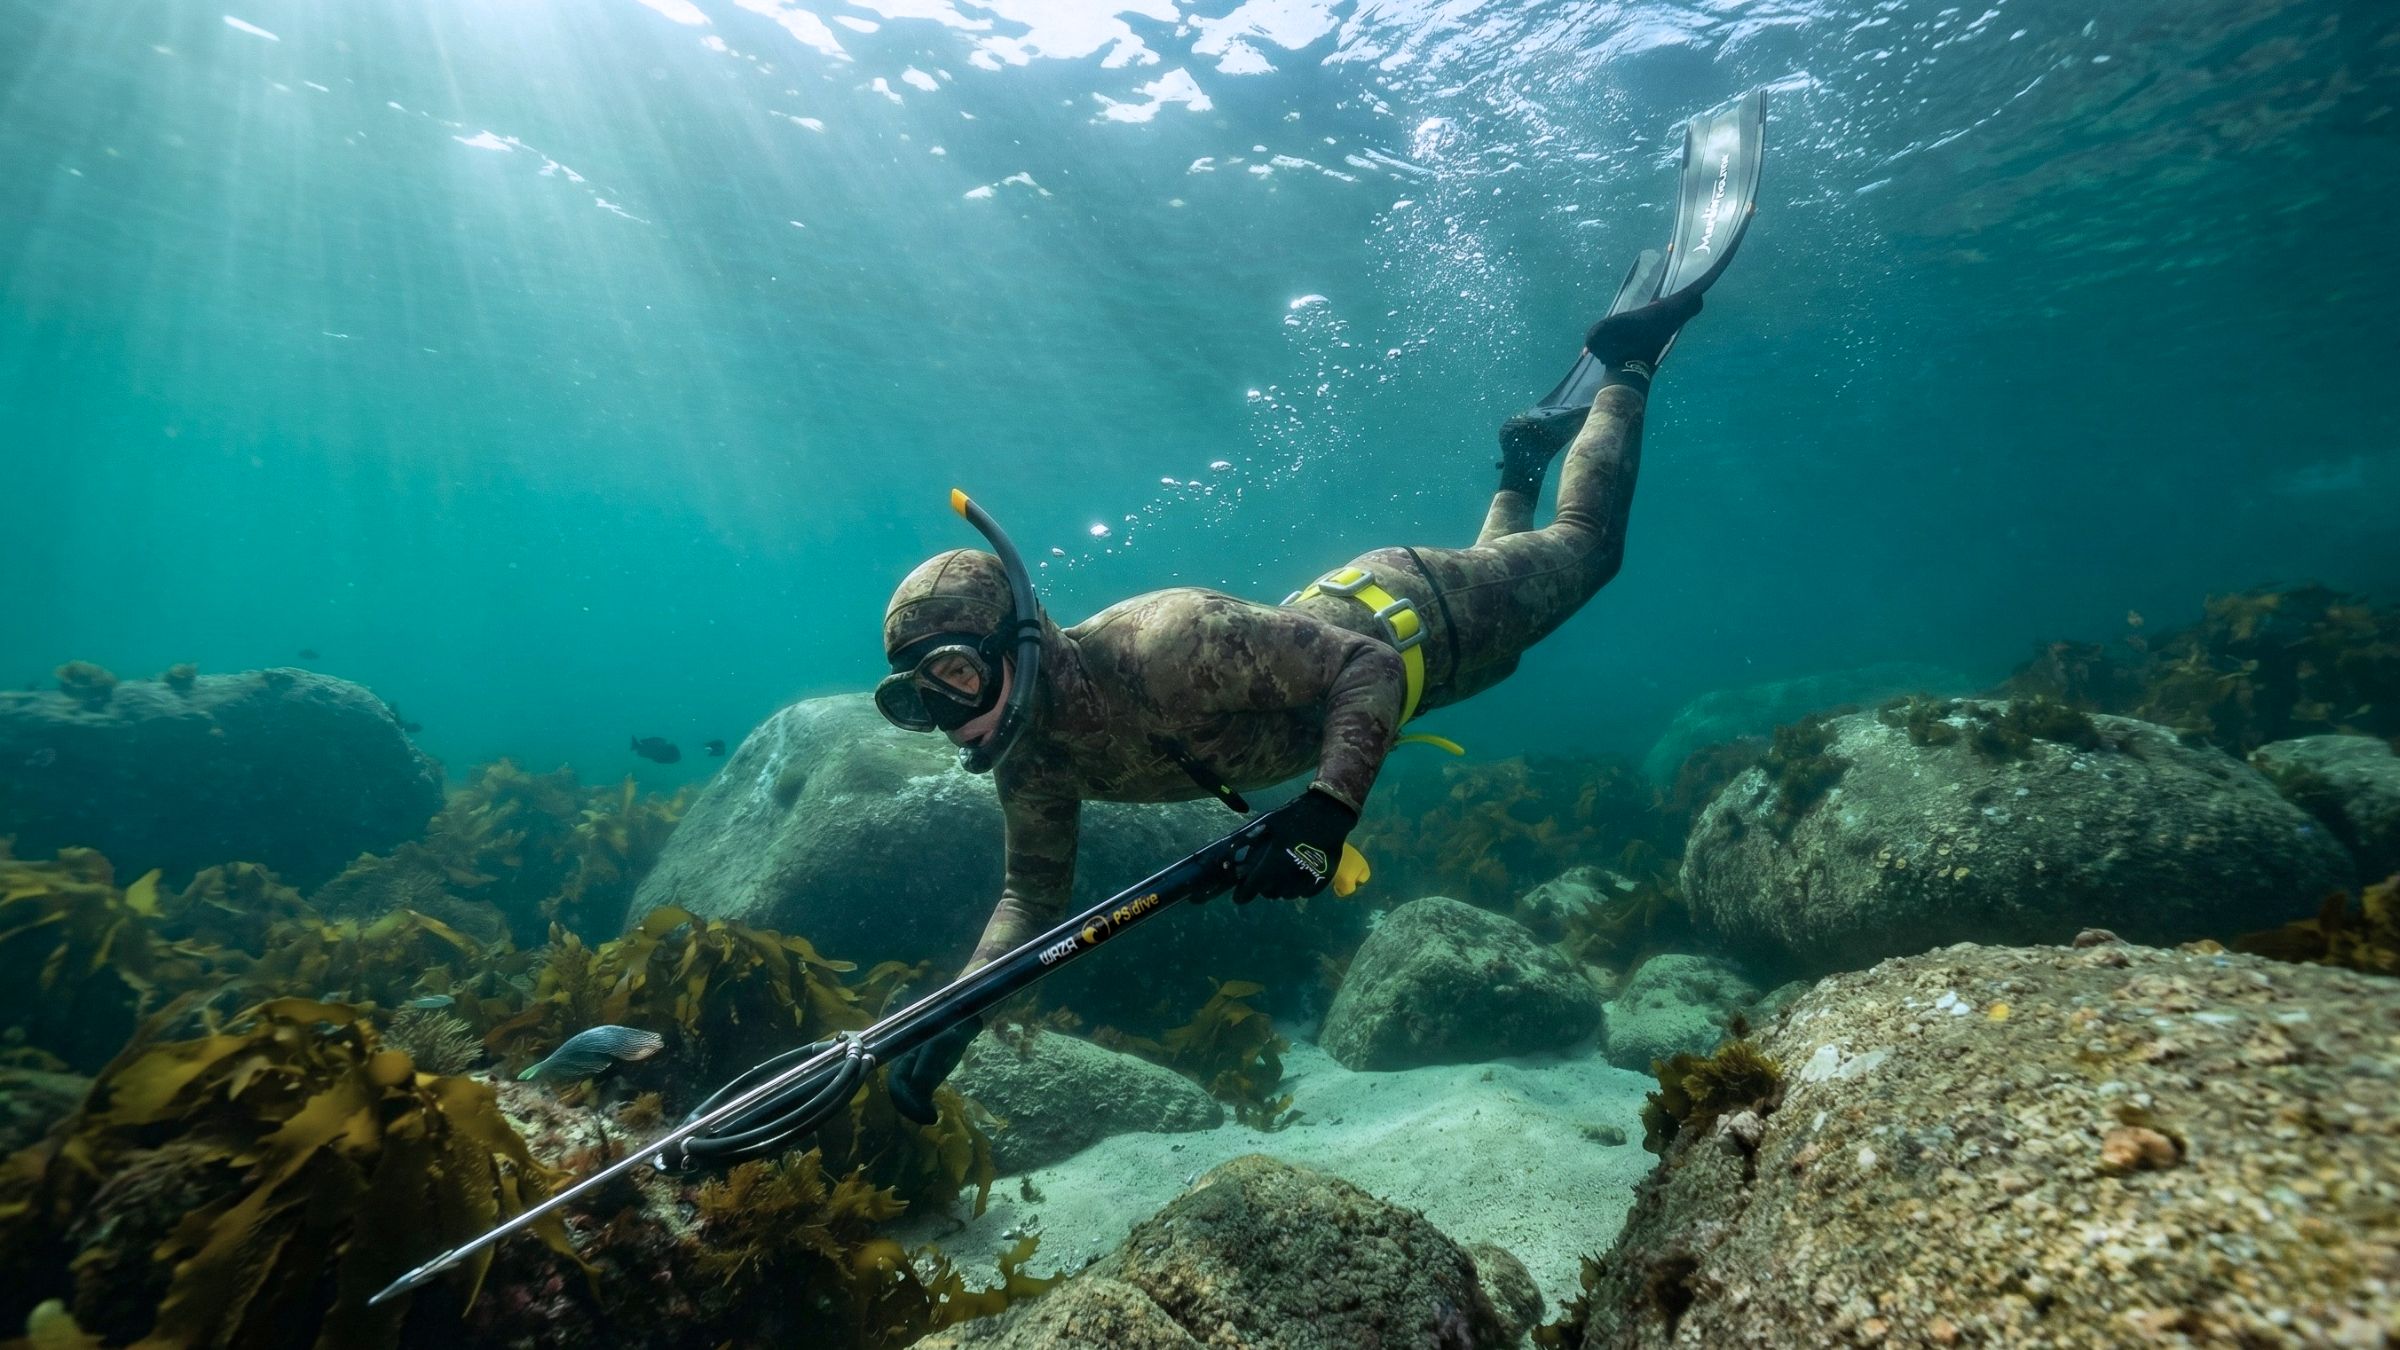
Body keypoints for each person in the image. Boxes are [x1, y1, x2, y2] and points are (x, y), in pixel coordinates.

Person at [872, 92, 1766, 1121]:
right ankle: (1519, 460)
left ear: (1016, 641)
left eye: (954, 678)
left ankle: (1634, 359)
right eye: (918, 701)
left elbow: (1365, 671)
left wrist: (1326, 812)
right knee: (1514, 557)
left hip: (1415, 622)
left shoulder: (1161, 645)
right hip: (1378, 644)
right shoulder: (1031, 755)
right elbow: (1033, 898)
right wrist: (957, 1016)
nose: (948, 718)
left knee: (1583, 553)